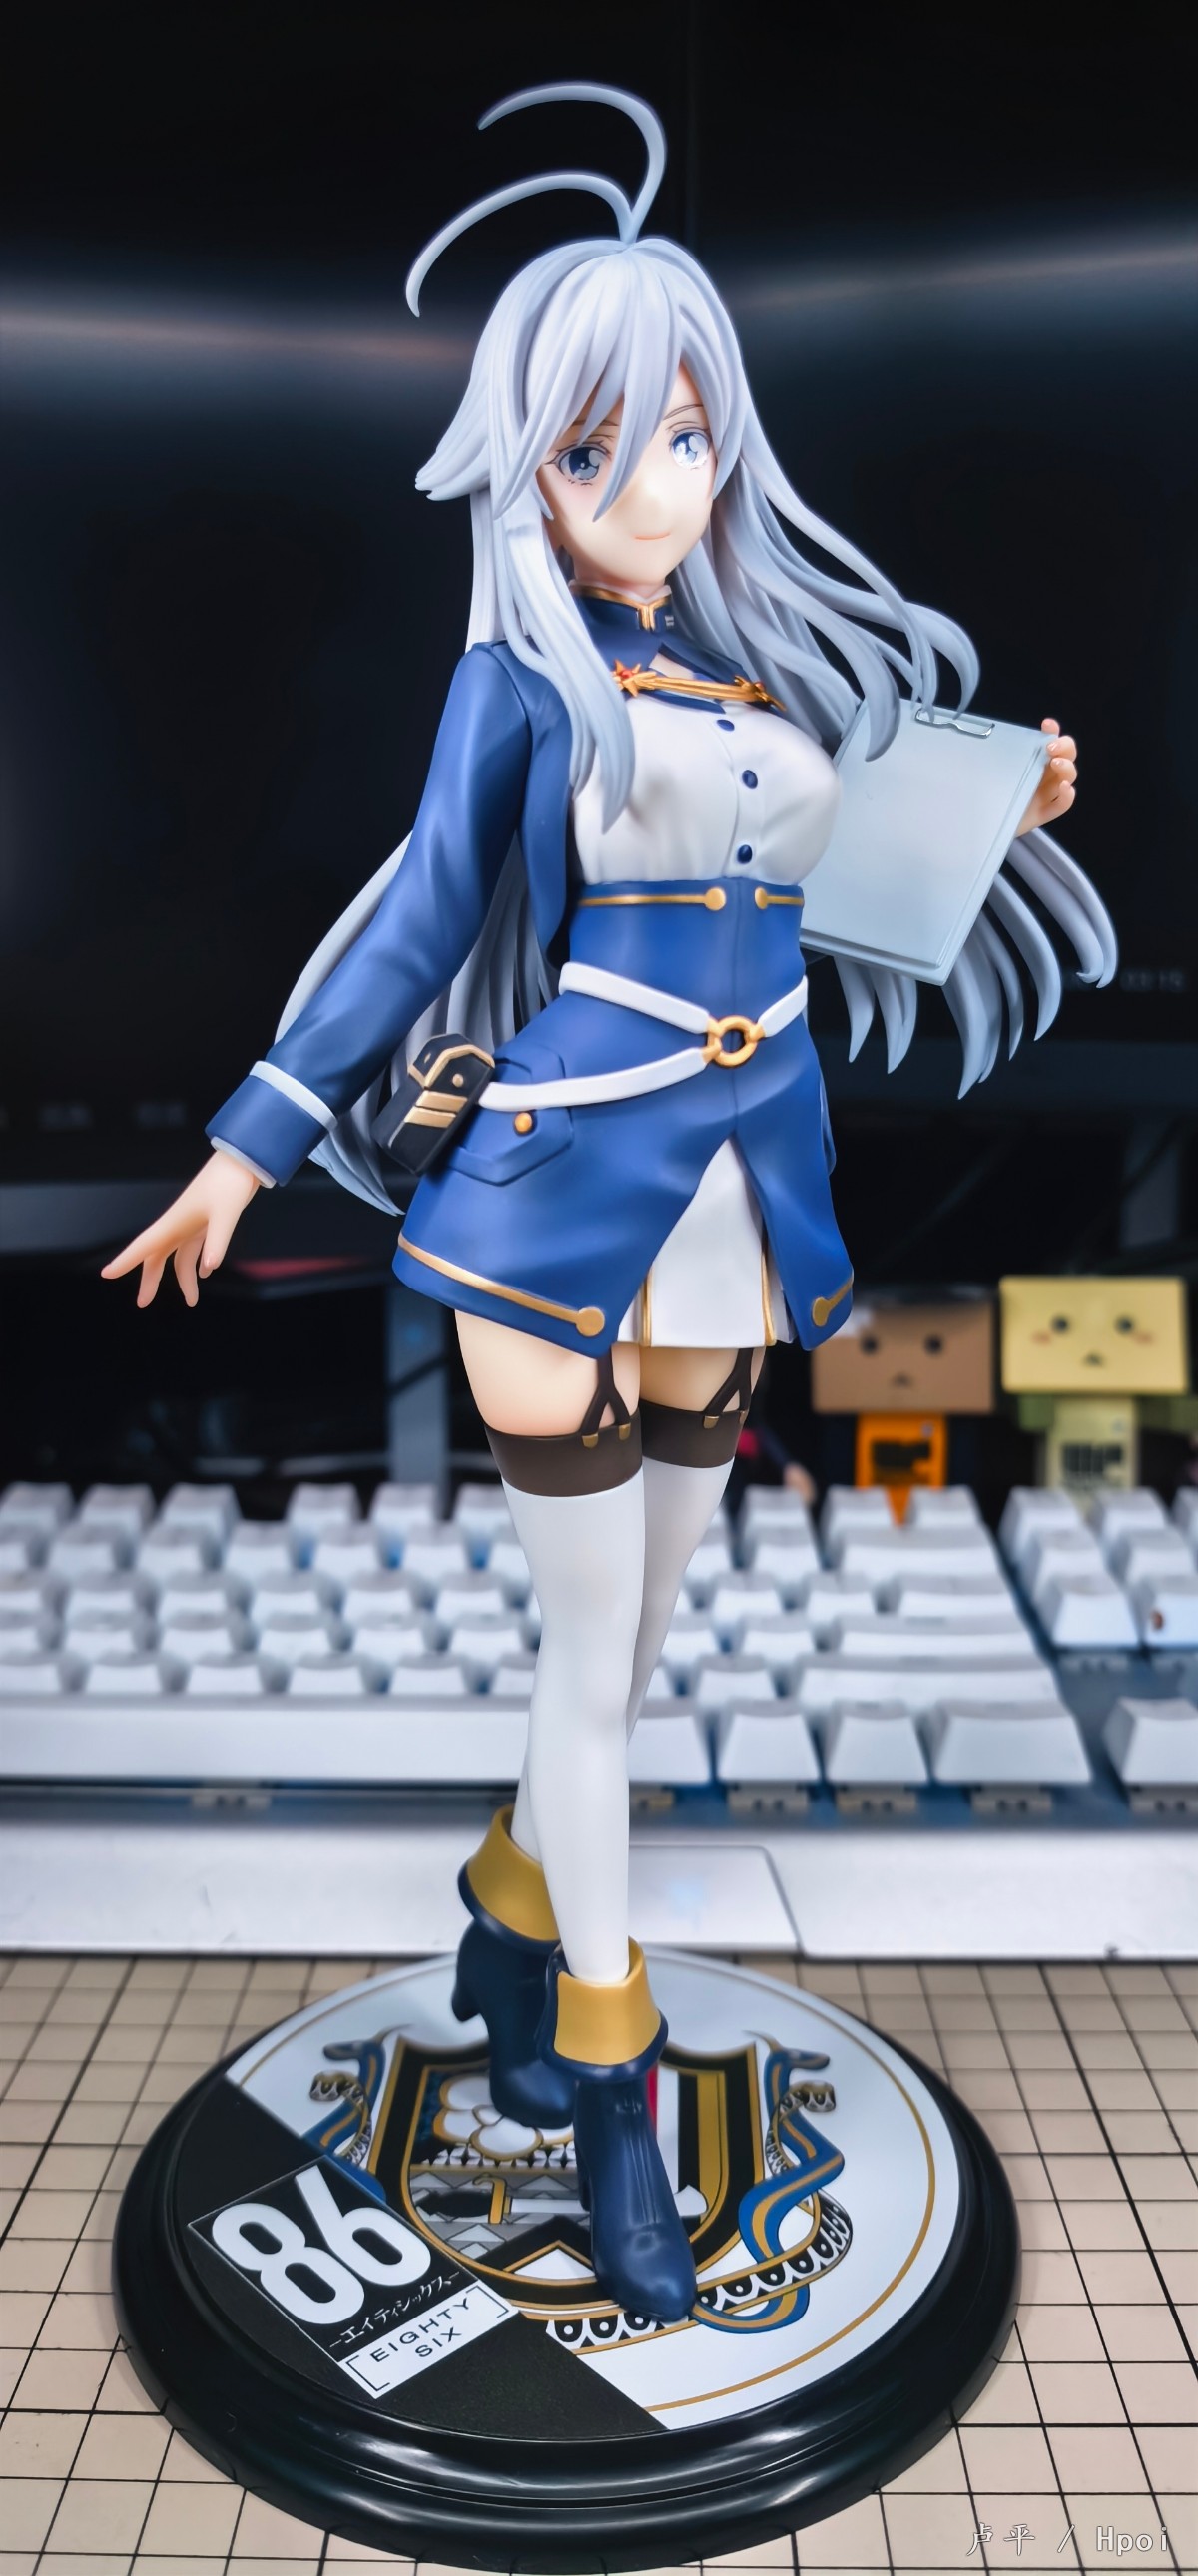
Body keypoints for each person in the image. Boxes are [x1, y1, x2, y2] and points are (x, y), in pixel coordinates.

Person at [103, 82, 1112, 2322]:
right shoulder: (518, 683)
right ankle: (606, 2063)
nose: (657, 478)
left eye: (679, 431)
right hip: (556, 1200)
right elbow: (413, 920)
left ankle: (505, 1894)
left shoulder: (754, 679)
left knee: (633, 1653)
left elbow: (842, 898)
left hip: (737, 1196)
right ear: (526, 473)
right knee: (591, 1663)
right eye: (596, 446)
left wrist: (1000, 815)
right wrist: (243, 1148)